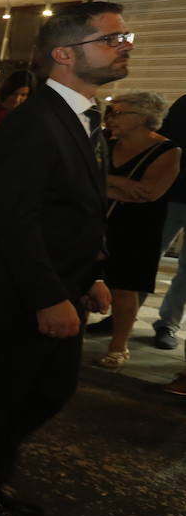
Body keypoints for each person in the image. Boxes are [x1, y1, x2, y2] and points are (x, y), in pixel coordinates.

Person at [0, 0, 129, 516]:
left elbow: (71, 210)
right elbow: (14, 220)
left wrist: (89, 275)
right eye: (111, 39)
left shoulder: (80, 117)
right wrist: (49, 296)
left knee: (48, 392)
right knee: (1, 398)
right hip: (20, 293)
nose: (124, 47)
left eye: (126, 37)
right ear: (65, 54)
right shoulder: (35, 122)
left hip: (60, 286)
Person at [94, 92, 180, 369]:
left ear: (144, 118)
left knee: (125, 286)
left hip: (137, 226)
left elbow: (149, 194)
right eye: (111, 112)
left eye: (119, 113)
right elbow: (77, 180)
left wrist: (102, 185)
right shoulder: (102, 141)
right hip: (94, 221)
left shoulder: (168, 151)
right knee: (82, 277)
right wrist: (120, 182)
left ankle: (119, 346)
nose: (111, 118)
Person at [152, 93, 186, 356]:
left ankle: (168, 324)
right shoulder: (185, 103)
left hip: (173, 191)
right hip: (173, 192)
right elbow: (166, 139)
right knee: (147, 257)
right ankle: (122, 317)